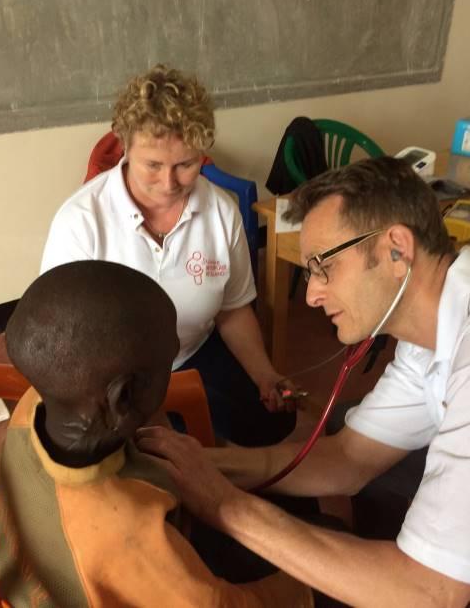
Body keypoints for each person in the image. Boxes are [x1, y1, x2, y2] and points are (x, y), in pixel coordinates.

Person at [137, 157, 470, 607]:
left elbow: (432, 592)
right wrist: (208, 465)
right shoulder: (422, 337)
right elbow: (350, 460)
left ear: (396, 249)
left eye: (322, 266)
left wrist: (224, 504)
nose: (311, 294)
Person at [0, 260, 312, 608]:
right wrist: (303, 589)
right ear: (124, 398)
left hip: (64, 570)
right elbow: (217, 604)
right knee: (318, 537)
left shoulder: (31, 407)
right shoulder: (131, 537)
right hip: (137, 573)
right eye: (169, 361)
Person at [40, 64, 295, 447]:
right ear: (126, 147)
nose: (169, 183)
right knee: (125, 460)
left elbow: (233, 309)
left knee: (272, 426)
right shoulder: (81, 220)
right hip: (111, 374)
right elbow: (62, 338)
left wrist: (264, 375)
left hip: (194, 353)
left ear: (202, 155)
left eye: (186, 165)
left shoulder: (221, 211)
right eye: (153, 165)